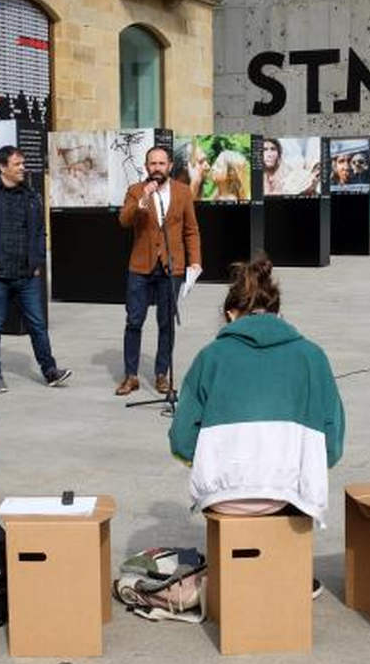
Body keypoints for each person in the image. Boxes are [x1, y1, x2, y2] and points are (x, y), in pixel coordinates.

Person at [168, 255, 345, 595]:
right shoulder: (312, 356)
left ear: (230, 314)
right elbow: (333, 446)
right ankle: (289, 570)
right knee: (296, 472)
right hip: (289, 498)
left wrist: (212, 460)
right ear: (278, 312)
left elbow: (181, 440)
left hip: (223, 498)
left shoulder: (210, 357)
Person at [0, 145, 71, 392]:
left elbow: (41, 231)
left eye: (23, 163)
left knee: (38, 325)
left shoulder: (31, 196)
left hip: (26, 276)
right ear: (2, 167)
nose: (23, 168)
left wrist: (37, 261)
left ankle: (50, 371)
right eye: (18, 164)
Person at [116, 145, 203, 396]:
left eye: (161, 164)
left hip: (171, 266)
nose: (157, 168)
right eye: (152, 164)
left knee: (166, 323)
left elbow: (191, 230)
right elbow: (124, 220)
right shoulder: (135, 191)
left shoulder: (183, 192)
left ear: (170, 166)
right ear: (146, 167)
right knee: (134, 321)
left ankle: (162, 374)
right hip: (140, 266)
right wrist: (143, 200)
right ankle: (131, 375)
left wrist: (195, 261)